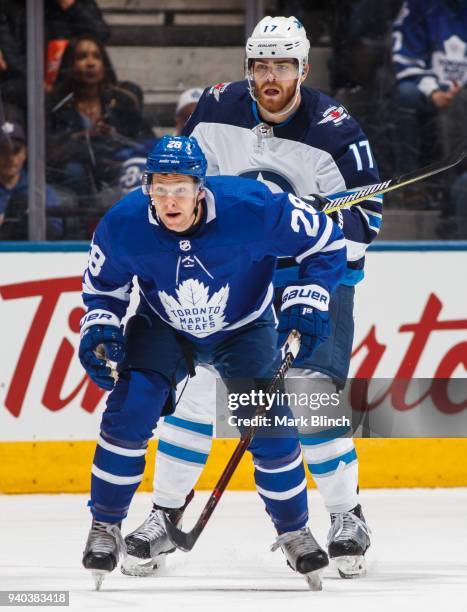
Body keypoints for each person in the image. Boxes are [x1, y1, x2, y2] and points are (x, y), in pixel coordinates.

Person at [124, 16, 381, 580]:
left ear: (303, 68)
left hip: (316, 272)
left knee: (309, 395)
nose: (270, 76)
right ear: (248, 68)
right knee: (195, 391)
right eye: (261, 65)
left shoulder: (336, 130)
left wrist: (303, 231)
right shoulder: (216, 108)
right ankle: (165, 515)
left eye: (282, 65)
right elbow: (182, 182)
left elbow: (366, 221)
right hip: (237, 276)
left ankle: (345, 515)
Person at [78, 135, 347, 589]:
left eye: (179, 188)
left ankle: (295, 531)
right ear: (147, 187)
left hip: (243, 328)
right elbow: (104, 287)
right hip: (165, 327)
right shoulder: (124, 222)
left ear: (201, 187)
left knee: (269, 426)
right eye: (159, 189)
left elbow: (325, 242)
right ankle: (105, 527)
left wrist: (309, 297)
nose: (169, 201)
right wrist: (101, 326)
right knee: (128, 412)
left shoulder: (253, 206)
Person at [47, 34, 145, 206]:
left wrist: (115, 135)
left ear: (104, 64)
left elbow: (143, 141)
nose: (90, 63)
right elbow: (48, 152)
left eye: (96, 56)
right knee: (75, 172)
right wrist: (79, 137)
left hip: (114, 170)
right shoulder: (56, 105)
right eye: (82, 57)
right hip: (71, 180)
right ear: (70, 64)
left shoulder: (122, 101)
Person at [391, 0, 467, 206]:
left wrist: (461, 93)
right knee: (406, 95)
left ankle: (453, 189)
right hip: (427, 88)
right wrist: (433, 91)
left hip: (462, 95)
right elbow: (407, 57)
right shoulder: (419, 7)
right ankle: (410, 183)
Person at [0, 120, 62, 240]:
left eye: (16, 150)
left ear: (25, 153)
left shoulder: (41, 191)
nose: (10, 158)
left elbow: (55, 229)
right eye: (3, 150)